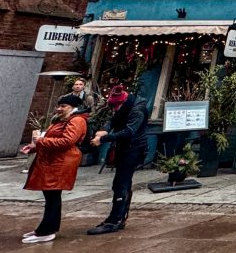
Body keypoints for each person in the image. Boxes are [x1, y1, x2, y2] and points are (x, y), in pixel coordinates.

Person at [19, 95, 87, 243]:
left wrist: (41, 141)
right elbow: (52, 138)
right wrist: (34, 146)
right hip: (53, 161)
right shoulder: (60, 120)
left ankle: (47, 230)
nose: (59, 108)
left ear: (72, 107)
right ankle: (45, 228)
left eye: (63, 106)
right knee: (50, 196)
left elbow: (67, 141)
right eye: (59, 105)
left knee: (53, 196)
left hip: (60, 163)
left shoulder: (76, 120)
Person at [87, 85, 148, 235]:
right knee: (121, 183)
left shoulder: (137, 110)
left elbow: (129, 131)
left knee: (121, 183)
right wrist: (104, 129)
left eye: (116, 106)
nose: (114, 109)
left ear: (123, 101)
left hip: (134, 148)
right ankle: (118, 217)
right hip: (123, 147)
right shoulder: (122, 107)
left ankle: (115, 220)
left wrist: (104, 139)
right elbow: (113, 120)